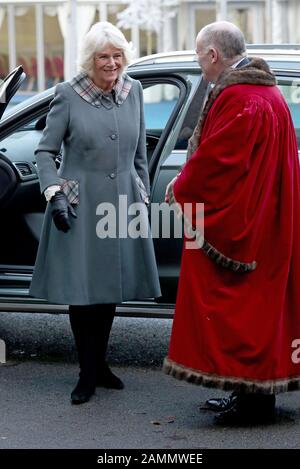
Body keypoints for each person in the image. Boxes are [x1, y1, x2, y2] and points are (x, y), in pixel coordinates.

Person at [163, 21, 300, 424]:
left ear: (213, 55)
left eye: (198, 57)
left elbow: (220, 164)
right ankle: (250, 394)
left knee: (242, 310)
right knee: (259, 313)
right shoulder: (265, 93)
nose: (199, 65)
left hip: (250, 227)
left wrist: (180, 185)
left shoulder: (241, 97)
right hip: (269, 220)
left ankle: (253, 402)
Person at [30, 21, 161, 405]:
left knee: (108, 291)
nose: (112, 63)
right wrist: (53, 193)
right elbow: (43, 152)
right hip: (78, 202)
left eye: (117, 55)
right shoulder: (68, 95)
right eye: (103, 56)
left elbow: (140, 156)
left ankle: (99, 365)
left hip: (121, 200)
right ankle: (87, 373)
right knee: (82, 291)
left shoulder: (133, 89)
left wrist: (141, 195)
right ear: (90, 60)